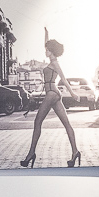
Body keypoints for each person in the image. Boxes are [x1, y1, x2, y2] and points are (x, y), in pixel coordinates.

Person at [20, 28, 82, 168]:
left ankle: (31, 154)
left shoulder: (55, 64)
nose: (45, 51)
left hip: (52, 94)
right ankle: (75, 152)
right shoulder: (51, 60)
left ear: (51, 51)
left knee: (37, 121)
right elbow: (46, 43)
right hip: (54, 94)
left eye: (47, 49)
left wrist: (73, 93)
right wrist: (46, 32)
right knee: (66, 124)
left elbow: (64, 79)